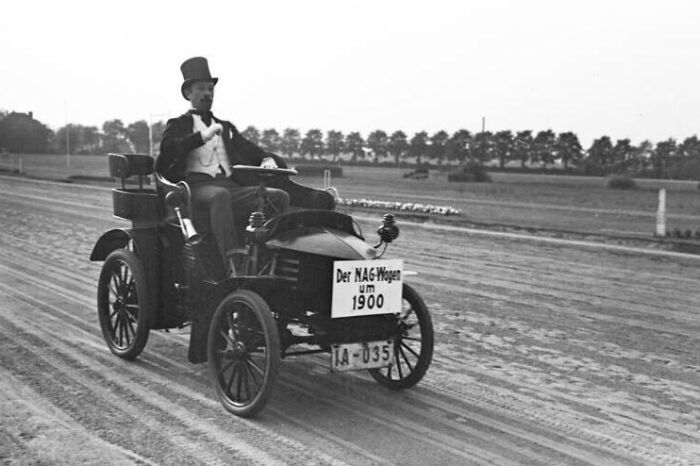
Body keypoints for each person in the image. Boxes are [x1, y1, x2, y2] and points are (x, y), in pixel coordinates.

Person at [157, 57, 331, 276]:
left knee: (278, 196)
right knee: (220, 196)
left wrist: (267, 159)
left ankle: (269, 258)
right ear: (188, 94)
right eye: (201, 89)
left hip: (231, 187)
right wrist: (200, 136)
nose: (207, 94)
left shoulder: (226, 128)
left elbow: (252, 150)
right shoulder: (178, 125)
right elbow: (168, 149)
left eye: (210, 89)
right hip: (195, 189)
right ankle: (233, 265)